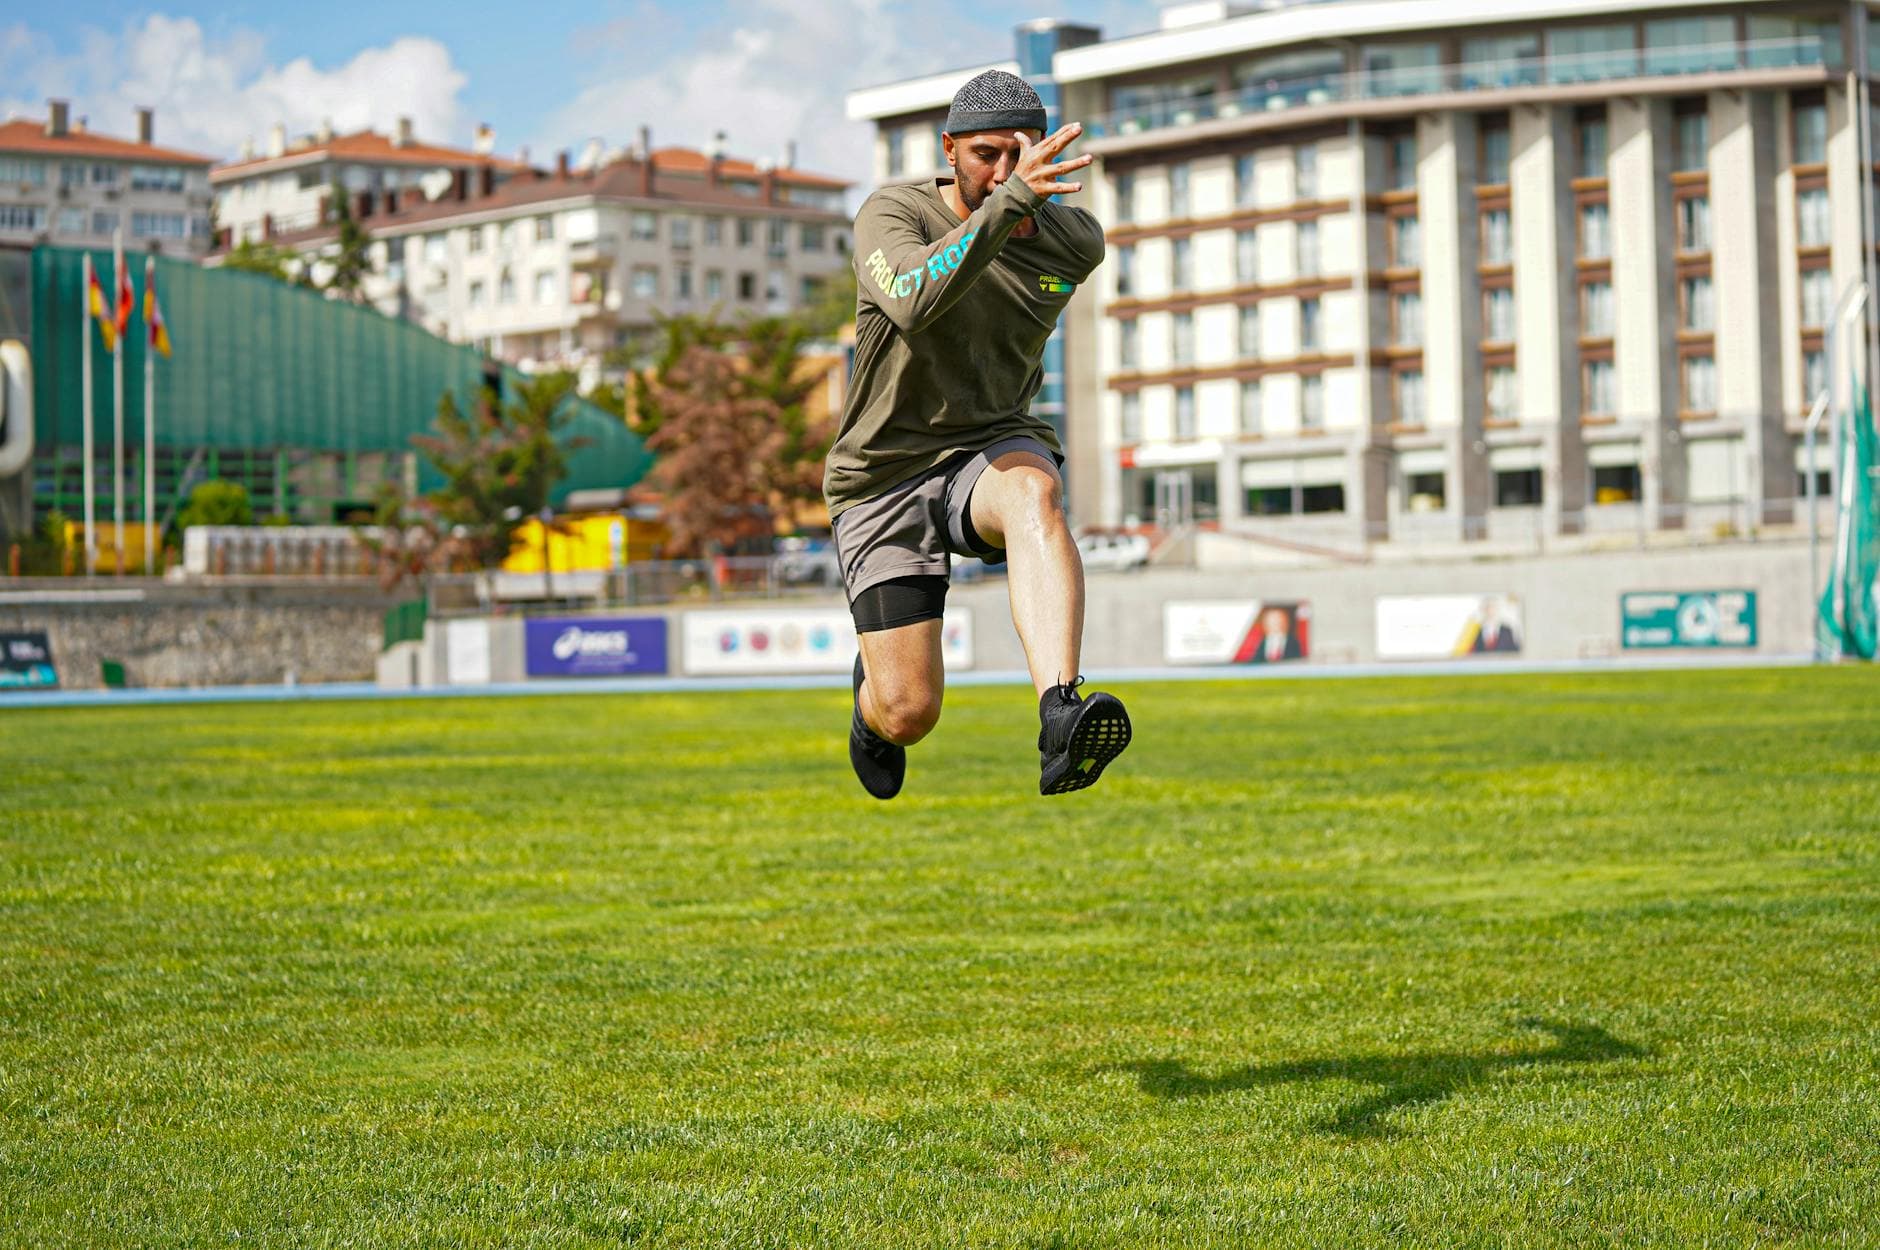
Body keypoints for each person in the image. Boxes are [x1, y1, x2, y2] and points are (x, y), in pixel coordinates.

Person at [825, 70, 1132, 800]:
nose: (1003, 172)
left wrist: (1023, 209)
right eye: (986, 154)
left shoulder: (1073, 244)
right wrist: (1017, 201)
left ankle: (1060, 709)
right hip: (883, 473)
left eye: (1019, 154)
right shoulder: (889, 213)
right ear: (949, 150)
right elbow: (911, 300)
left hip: (989, 444)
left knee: (1035, 490)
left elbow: (1031, 246)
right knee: (910, 712)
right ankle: (870, 707)